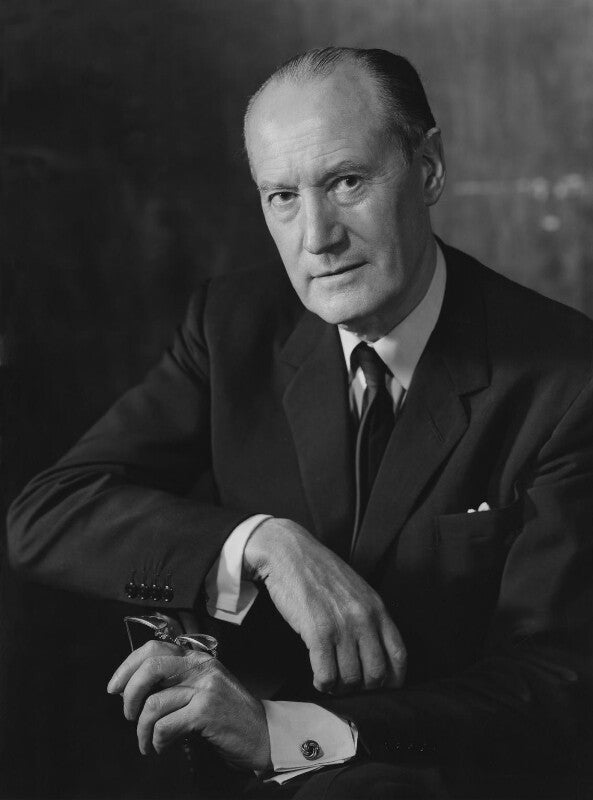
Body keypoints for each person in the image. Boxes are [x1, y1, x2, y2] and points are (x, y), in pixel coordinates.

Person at [7, 47, 593, 799]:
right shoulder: (230, 326)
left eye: (346, 182)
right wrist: (263, 545)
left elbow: (555, 690)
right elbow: (47, 514)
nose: (316, 237)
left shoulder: (569, 379)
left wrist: (289, 733)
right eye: (282, 196)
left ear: (428, 169)